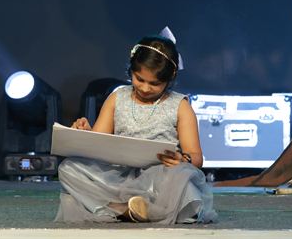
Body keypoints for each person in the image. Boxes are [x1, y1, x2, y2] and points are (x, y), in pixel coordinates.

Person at [55, 32, 217, 224]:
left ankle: (129, 208)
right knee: (68, 168)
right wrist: (84, 133)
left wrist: (182, 159)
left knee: (184, 183)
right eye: (139, 79)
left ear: (171, 77)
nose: (145, 88)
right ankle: (127, 208)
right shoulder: (117, 97)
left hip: (159, 179)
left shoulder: (180, 106)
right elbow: (98, 145)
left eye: (155, 83)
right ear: (131, 70)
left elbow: (196, 157)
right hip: (117, 177)